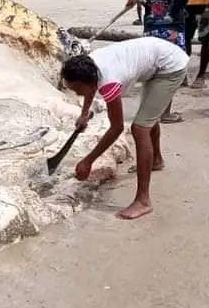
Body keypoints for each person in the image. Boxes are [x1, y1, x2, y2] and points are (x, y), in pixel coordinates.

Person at [60, 37, 189, 221]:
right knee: (148, 115)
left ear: (88, 81)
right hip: (156, 60)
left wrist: (88, 161)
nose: (76, 93)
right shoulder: (90, 64)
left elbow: (117, 127)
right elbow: (89, 89)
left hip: (170, 67)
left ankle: (143, 201)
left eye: (76, 89)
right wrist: (84, 113)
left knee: (140, 128)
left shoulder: (109, 81)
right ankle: (156, 160)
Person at [136, 0, 189, 123]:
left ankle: (151, 110)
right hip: (173, 27)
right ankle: (165, 113)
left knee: (153, 71)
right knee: (169, 71)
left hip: (151, 27)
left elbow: (145, 1)